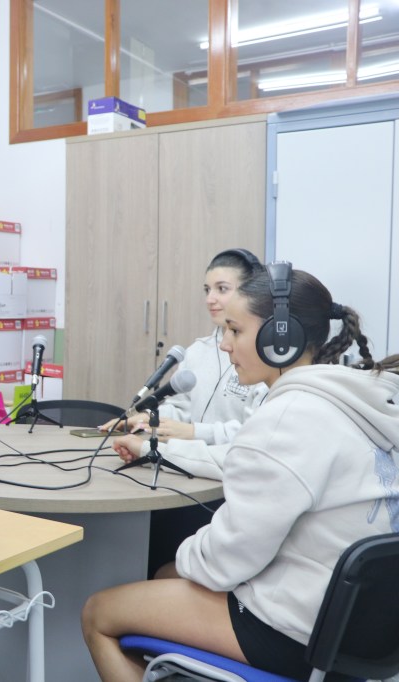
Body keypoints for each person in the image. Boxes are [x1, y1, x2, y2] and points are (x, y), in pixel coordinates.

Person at [81, 262, 399, 681]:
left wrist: (184, 554)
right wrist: (157, 449)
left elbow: (224, 562)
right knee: (166, 577)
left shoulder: (286, 417)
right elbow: (238, 460)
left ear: (280, 339)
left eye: (234, 330)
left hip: (294, 631)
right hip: (363, 632)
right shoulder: (355, 402)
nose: (225, 345)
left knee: (99, 612)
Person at [101, 248, 268, 479]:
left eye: (222, 289)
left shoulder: (262, 359)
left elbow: (255, 437)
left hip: (228, 474)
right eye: (207, 290)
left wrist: (194, 432)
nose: (210, 299)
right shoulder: (197, 351)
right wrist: (150, 419)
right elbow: (183, 407)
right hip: (185, 469)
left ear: (251, 293)